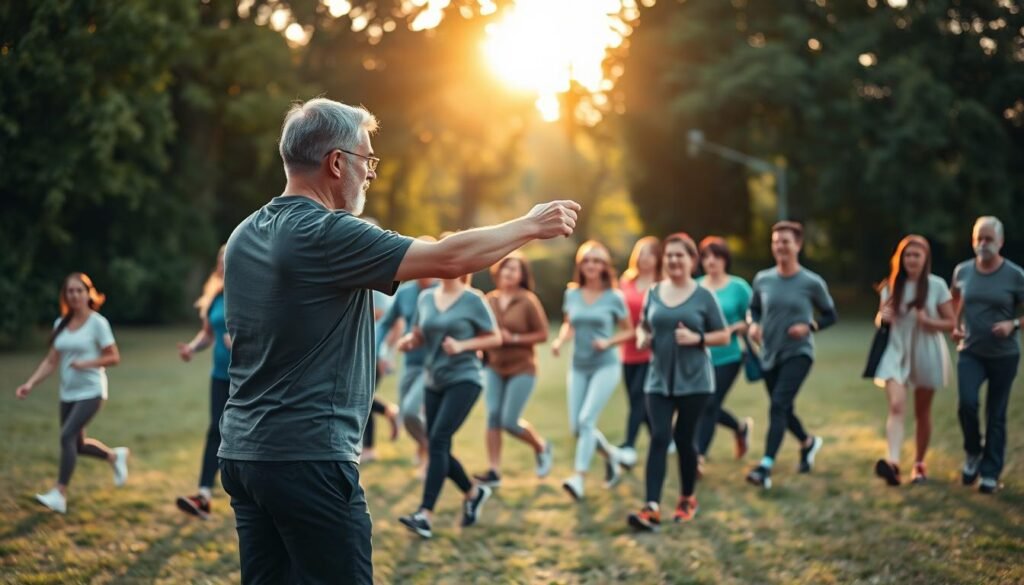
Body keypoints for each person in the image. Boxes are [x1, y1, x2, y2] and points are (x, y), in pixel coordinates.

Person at [217, 97, 579, 584]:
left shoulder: (244, 234)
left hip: (243, 453)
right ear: (336, 162)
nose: (370, 174)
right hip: (308, 459)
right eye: (366, 160)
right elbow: (447, 259)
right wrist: (531, 224)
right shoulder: (325, 232)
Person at [628, 233, 729, 531]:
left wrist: (697, 338)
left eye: (679, 255)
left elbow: (723, 335)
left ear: (691, 261)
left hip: (695, 382)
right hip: (658, 379)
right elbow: (643, 326)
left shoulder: (703, 296)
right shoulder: (655, 292)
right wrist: (642, 337)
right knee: (659, 437)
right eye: (669, 255)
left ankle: (687, 498)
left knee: (685, 440)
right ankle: (651, 508)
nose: (673, 260)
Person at [396, 259, 501, 539]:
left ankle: (425, 514)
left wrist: (463, 345)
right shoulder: (426, 298)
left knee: (439, 440)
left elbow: (495, 338)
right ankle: (473, 492)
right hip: (434, 379)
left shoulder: (473, 300)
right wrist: (408, 341)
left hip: (465, 378)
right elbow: (420, 334)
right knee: (437, 443)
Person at [15, 273, 128, 514]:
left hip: (92, 391)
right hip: (68, 393)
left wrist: (87, 363)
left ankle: (59, 493)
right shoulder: (61, 324)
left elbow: (114, 357)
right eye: (70, 291)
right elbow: (51, 361)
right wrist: (30, 384)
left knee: (66, 436)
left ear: (89, 294)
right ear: (65, 296)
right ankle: (114, 457)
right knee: (76, 444)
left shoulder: (98, 323)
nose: (75, 295)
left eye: (79, 290)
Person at [745, 221, 837, 490]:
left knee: (777, 405)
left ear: (798, 244)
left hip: (799, 353)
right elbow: (754, 308)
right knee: (783, 407)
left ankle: (765, 467)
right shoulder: (763, 279)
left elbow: (831, 315)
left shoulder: (811, 282)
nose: (780, 246)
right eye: (776, 242)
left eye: (785, 241)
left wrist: (809, 326)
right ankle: (808, 443)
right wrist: (753, 324)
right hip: (769, 353)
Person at [553, 240, 634, 500]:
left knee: (587, 420)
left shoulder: (614, 296)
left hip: (605, 365)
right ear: (580, 265)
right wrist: (559, 341)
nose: (591, 265)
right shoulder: (572, 294)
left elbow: (630, 330)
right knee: (577, 427)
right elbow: (569, 324)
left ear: (604, 266)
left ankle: (578, 477)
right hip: (578, 366)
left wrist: (608, 342)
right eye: (587, 260)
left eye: (597, 261)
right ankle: (613, 456)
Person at [872, 235, 955, 486]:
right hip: (896, 351)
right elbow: (881, 320)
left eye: (916, 255)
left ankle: (919, 464)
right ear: (901, 258)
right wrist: (882, 317)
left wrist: (929, 322)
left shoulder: (937, 285)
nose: (911, 259)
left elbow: (952, 323)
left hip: (926, 349)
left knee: (922, 411)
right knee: (897, 406)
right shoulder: (890, 286)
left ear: (925, 259)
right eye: (907, 255)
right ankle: (893, 464)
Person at [951, 216, 1024, 494]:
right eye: (978, 239)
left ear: (1000, 242)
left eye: (988, 239)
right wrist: (956, 324)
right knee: (967, 404)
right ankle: (973, 453)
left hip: (1004, 355)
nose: (982, 244)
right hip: (970, 351)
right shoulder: (963, 271)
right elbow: (958, 297)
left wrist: (1013, 324)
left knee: (996, 414)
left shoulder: (1015, 275)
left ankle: (990, 473)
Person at [473, 253, 554, 488]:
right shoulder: (489, 300)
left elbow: (543, 334)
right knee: (493, 416)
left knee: (509, 420)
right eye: (506, 268)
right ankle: (494, 471)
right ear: (498, 271)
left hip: (523, 368)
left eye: (515, 270)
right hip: (494, 367)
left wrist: (515, 337)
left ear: (521, 276)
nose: (509, 273)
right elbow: (481, 331)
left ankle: (541, 447)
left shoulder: (528, 301)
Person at [175, 245, 233, 518]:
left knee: (238, 436)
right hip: (220, 376)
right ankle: (204, 495)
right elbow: (208, 334)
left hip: (247, 379)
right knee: (216, 431)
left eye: (228, 259)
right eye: (220, 260)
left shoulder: (249, 295)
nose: (223, 264)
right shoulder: (216, 298)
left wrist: (241, 343)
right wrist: (192, 347)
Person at [374, 239, 437, 476]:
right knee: (407, 412)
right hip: (410, 362)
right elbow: (387, 322)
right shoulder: (406, 292)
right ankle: (425, 449)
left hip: (435, 364)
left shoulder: (442, 289)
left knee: (412, 411)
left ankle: (431, 454)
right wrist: (377, 349)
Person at [696, 236, 754, 467]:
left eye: (716, 256)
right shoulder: (696, 285)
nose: (711, 261)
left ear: (725, 259)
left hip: (730, 355)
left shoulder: (738, 287)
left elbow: (754, 319)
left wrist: (740, 326)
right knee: (703, 403)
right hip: (700, 356)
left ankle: (698, 456)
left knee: (710, 403)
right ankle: (739, 427)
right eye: (706, 256)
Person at [617, 236, 661, 469]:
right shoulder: (625, 282)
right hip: (627, 351)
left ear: (657, 259)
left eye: (650, 253)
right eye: (641, 253)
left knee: (637, 397)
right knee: (638, 402)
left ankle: (629, 446)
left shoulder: (662, 284)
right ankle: (664, 437)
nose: (644, 258)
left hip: (650, 351)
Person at [360, 286, 401, 463]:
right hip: (362, 352)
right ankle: (389, 411)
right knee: (362, 398)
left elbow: (396, 324)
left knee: (363, 399)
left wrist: (386, 354)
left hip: (374, 354)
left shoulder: (375, 290)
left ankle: (369, 448)